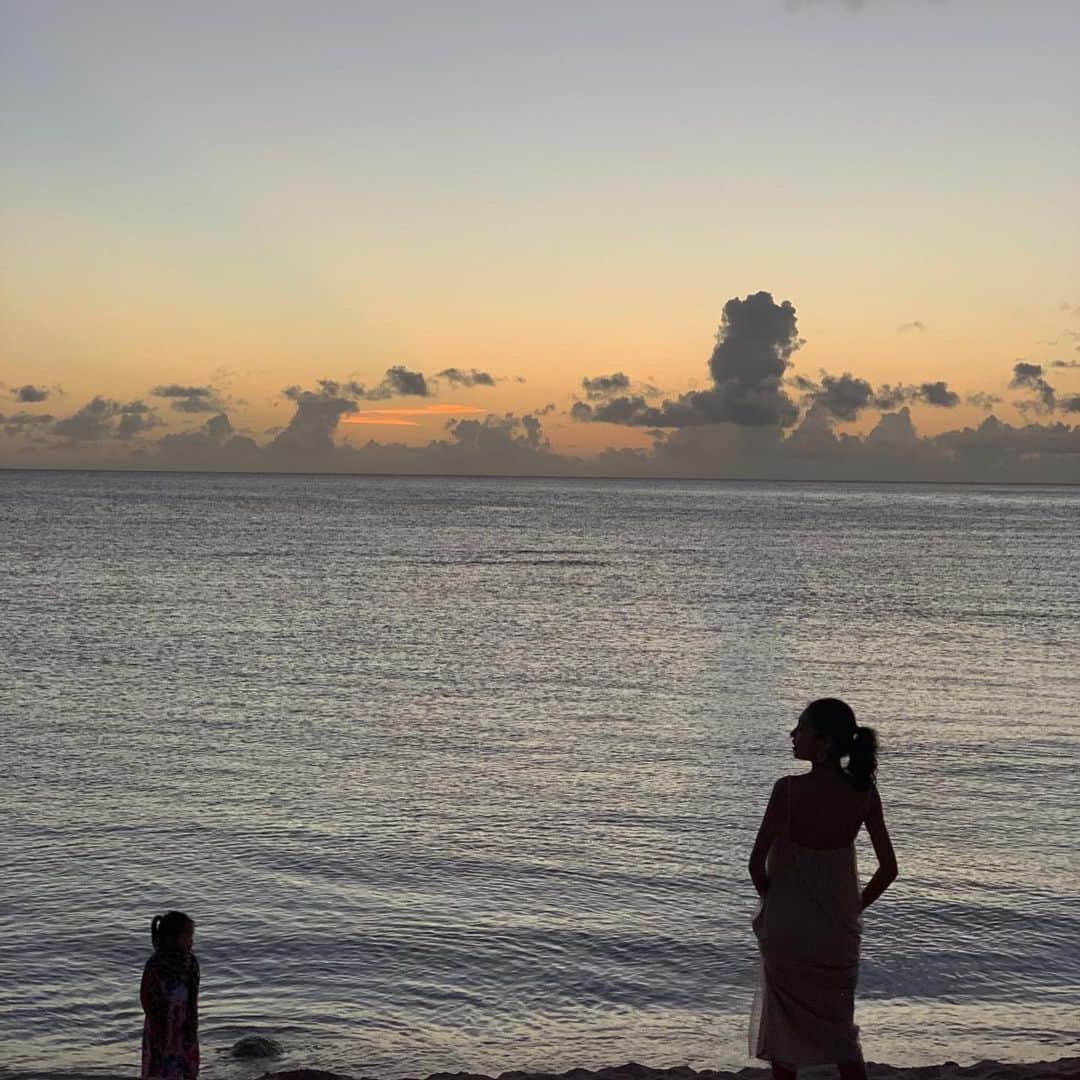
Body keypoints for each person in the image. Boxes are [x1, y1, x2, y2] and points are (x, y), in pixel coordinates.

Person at [748, 698, 898, 1080]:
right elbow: (888, 869)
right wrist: (853, 908)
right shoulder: (863, 794)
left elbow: (755, 864)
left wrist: (774, 904)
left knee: (783, 1034)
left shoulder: (788, 791)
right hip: (837, 934)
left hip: (787, 931)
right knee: (840, 1031)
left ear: (825, 742)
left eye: (801, 728)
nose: (793, 734)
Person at [141, 911, 200, 1080]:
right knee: (160, 1068)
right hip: (160, 1025)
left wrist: (191, 1023)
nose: (191, 941)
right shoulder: (155, 965)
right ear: (171, 939)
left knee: (185, 1066)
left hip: (183, 1023)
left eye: (191, 937)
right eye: (187, 937)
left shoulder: (191, 963)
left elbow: (193, 997)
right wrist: (157, 1023)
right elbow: (145, 997)